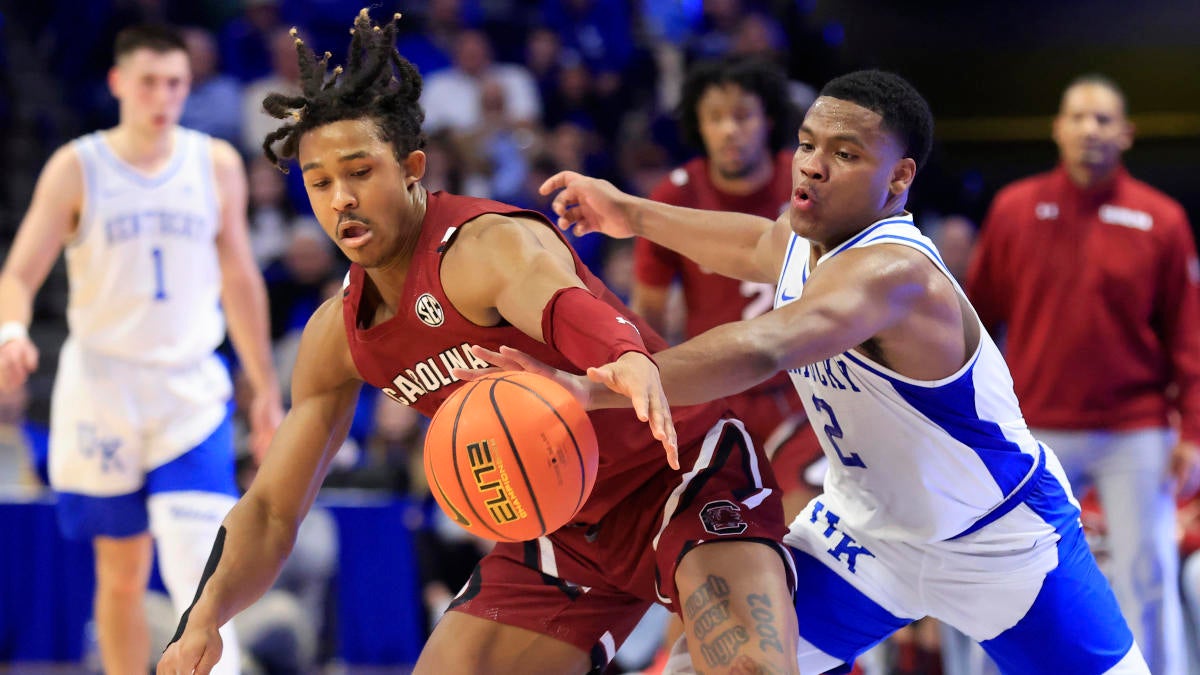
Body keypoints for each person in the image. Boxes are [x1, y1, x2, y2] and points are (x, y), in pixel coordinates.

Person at [158, 11, 798, 675]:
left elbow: (558, 300)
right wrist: (203, 617)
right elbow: (268, 509)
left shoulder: (483, 244)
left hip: (679, 475)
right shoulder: (337, 335)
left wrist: (627, 356)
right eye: (320, 182)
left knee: (750, 668)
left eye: (359, 171)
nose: (341, 198)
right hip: (560, 527)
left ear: (411, 167)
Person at [473, 69, 1152, 674]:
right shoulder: (806, 234)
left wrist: (597, 385)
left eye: (845, 152)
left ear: (899, 177)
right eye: (806, 143)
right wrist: (633, 212)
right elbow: (758, 243)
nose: (813, 165)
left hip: (997, 539)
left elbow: (767, 345)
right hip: (865, 536)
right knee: (714, 663)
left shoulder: (896, 273)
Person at [0, 24, 282, 675]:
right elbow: (18, 273)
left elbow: (240, 276)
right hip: (103, 387)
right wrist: (12, 330)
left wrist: (265, 386)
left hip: (189, 386)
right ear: (119, 83)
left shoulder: (215, 163)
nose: (164, 96)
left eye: (177, 83)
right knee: (121, 573)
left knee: (202, 562)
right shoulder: (79, 164)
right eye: (151, 81)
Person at [966, 74, 1200, 675]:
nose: (1089, 130)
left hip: (1136, 429)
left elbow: (1189, 338)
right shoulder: (1015, 209)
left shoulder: (1162, 219)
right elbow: (973, 321)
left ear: (1126, 133)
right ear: (1057, 128)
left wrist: (1193, 432)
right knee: (1009, 568)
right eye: (1077, 117)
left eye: (1102, 120)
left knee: (1148, 575)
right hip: (1035, 426)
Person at [635, 54, 819, 520]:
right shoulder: (675, 196)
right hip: (717, 395)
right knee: (723, 529)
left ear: (769, 118)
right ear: (698, 126)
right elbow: (648, 320)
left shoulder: (807, 183)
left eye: (742, 115)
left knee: (803, 529)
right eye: (715, 118)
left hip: (802, 391)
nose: (729, 130)